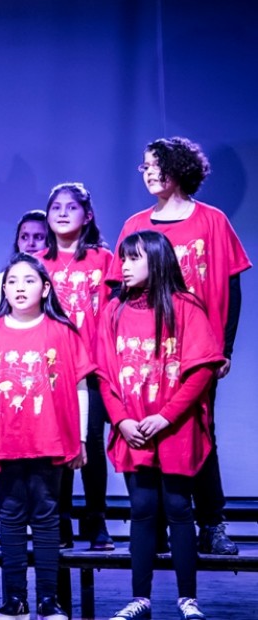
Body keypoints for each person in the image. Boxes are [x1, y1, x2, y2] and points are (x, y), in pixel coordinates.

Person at [107, 136, 250, 556]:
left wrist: (224, 347)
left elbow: (231, 285)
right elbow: (119, 291)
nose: (148, 172)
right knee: (152, 434)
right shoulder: (135, 225)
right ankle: (165, 525)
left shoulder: (212, 221)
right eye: (144, 166)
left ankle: (211, 522)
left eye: (155, 164)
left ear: (178, 168)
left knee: (198, 428)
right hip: (144, 352)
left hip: (195, 347)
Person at [0, 255, 95, 620]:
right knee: (10, 517)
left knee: (48, 517)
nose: (19, 287)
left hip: (49, 438)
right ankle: (14, 600)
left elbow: (80, 387)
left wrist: (79, 439)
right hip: (3, 439)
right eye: (12, 281)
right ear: (3, 289)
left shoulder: (61, 332)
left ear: (45, 288)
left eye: (28, 280)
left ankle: (49, 600)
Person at [99, 231, 223, 620]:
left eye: (134, 258)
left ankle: (188, 598)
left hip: (174, 428)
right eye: (123, 258)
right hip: (133, 428)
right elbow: (104, 373)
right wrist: (121, 420)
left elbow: (202, 371)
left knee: (178, 507)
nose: (125, 266)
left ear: (157, 260)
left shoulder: (185, 306)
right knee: (142, 509)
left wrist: (166, 416)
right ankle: (141, 598)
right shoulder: (112, 311)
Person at [38, 182, 115, 550]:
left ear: (88, 215)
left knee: (92, 440)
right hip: (53, 367)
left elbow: (119, 312)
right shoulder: (38, 263)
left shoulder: (104, 259)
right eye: (56, 207)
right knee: (58, 443)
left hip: (95, 366)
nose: (63, 213)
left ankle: (96, 519)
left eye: (72, 207)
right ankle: (61, 518)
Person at [0, 210, 48, 310]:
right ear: (17, 242)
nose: (30, 243)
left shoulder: (59, 278)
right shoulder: (1, 280)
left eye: (38, 237)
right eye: (24, 237)